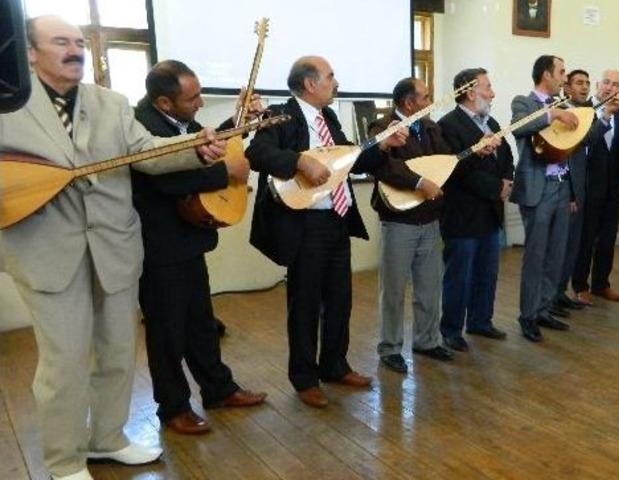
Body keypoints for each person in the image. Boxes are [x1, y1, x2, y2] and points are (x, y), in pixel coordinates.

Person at [0, 16, 226, 480]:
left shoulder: (111, 102)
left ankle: (108, 439)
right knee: (63, 364)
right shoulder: (6, 107)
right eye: (61, 42)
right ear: (28, 53)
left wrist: (194, 150)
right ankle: (64, 462)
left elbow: (147, 151)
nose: (75, 49)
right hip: (47, 255)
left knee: (118, 352)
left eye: (80, 42)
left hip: (115, 247)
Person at [245, 56, 406, 408]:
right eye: (330, 77)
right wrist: (300, 160)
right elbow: (257, 153)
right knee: (304, 304)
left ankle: (335, 366)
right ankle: (304, 379)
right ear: (309, 84)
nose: (336, 82)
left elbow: (349, 160)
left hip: (337, 218)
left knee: (339, 300)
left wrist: (381, 147)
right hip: (304, 225)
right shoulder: (282, 114)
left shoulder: (329, 117)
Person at [132, 60, 267, 435]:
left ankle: (218, 389)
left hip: (186, 241)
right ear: (163, 102)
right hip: (158, 248)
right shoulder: (142, 127)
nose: (201, 103)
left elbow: (206, 145)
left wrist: (239, 121)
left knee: (201, 324)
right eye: (192, 98)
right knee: (166, 333)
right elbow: (166, 179)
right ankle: (173, 408)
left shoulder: (176, 121)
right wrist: (226, 173)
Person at [369, 77, 453, 373]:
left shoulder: (431, 127)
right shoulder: (382, 128)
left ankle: (427, 340)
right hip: (398, 220)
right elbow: (385, 167)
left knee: (430, 285)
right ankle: (390, 347)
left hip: (430, 217)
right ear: (408, 103)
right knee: (393, 288)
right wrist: (419, 181)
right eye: (425, 96)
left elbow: (444, 161)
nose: (430, 102)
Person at [437, 68, 512, 352]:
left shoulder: (490, 121)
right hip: (462, 214)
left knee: (487, 272)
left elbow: (506, 156)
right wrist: (496, 188)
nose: (492, 93)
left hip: (490, 214)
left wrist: (508, 180)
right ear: (470, 92)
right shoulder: (448, 125)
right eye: (488, 87)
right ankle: (452, 329)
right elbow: (456, 171)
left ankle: (481, 321)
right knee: (459, 275)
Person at [510, 55, 580, 342]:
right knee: (536, 255)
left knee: (556, 253)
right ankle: (527, 315)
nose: (564, 78)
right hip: (538, 188)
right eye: (561, 72)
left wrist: (599, 116)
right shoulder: (523, 102)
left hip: (563, 186)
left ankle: (544, 308)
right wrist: (554, 115)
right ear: (546, 75)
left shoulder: (563, 104)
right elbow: (519, 126)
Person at [571, 69, 619, 304]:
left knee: (607, 238)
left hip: (612, 186)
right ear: (597, 85)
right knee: (586, 238)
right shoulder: (583, 111)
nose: (609, 88)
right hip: (588, 185)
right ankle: (579, 285)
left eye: (615, 85)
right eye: (606, 82)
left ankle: (601, 284)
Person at [552, 69, 591, 313]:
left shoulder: (589, 112)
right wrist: (570, 194)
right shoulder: (559, 112)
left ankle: (560, 291)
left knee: (572, 247)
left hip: (582, 189)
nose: (585, 87)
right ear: (567, 88)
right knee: (558, 248)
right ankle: (550, 296)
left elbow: (592, 139)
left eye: (587, 83)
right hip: (565, 190)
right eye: (579, 82)